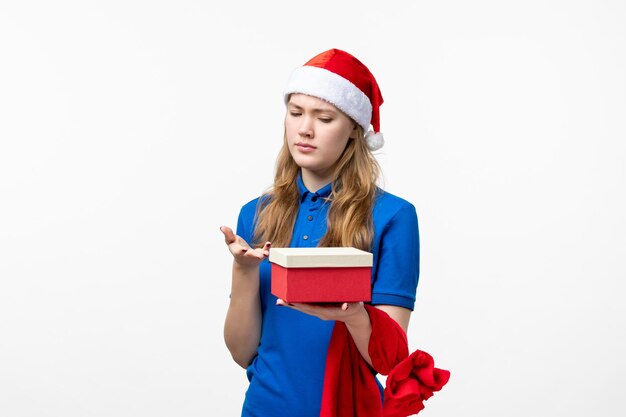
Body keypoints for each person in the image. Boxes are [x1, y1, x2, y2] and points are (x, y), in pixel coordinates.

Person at [221, 49, 421, 417]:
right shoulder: (256, 213)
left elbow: (391, 360)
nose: (305, 129)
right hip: (265, 408)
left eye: (324, 117)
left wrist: (352, 315)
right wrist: (244, 271)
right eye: (295, 113)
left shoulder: (394, 216)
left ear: (354, 131)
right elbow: (242, 352)